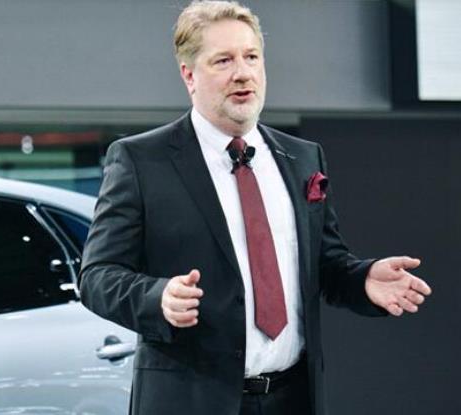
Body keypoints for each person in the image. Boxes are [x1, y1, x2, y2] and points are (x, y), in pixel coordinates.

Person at [78, 1, 432, 414]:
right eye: (223, 60)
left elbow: (326, 265)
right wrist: (156, 298)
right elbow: (97, 276)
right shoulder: (141, 161)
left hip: (292, 398)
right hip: (191, 400)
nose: (243, 73)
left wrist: (363, 279)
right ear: (189, 75)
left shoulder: (303, 158)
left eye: (251, 57)